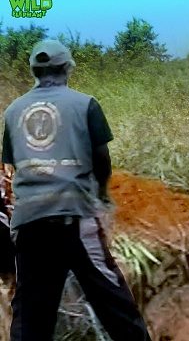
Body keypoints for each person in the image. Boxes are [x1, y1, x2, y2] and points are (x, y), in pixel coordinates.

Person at [1, 40, 151, 341]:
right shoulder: (86, 104)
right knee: (115, 305)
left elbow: (12, 165)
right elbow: (101, 158)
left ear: (34, 70)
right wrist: (101, 195)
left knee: (30, 319)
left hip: (30, 224)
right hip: (75, 219)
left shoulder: (13, 111)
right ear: (68, 68)